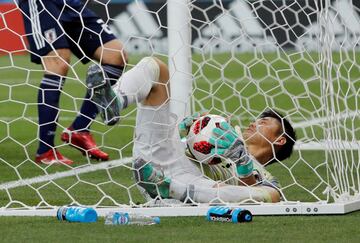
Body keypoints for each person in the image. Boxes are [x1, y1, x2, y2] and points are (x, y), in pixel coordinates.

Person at [86, 56, 297, 203]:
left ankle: (171, 189)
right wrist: (182, 131)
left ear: (280, 140)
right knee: (157, 67)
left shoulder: (264, 174)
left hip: (192, 185)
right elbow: (179, 145)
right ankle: (114, 101)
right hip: (157, 163)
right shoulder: (226, 134)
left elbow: (265, 194)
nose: (255, 122)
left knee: (270, 196)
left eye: (265, 122)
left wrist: (242, 160)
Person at [17, 0, 127, 165]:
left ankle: (79, 129)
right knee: (58, 62)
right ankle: (45, 150)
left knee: (116, 55)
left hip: (70, 3)